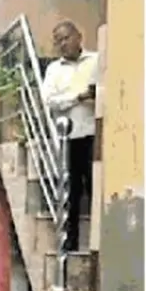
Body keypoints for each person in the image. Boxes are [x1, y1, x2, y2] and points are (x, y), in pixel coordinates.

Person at [41, 20, 98, 250]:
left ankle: (98, 241)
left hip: (94, 134)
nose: (63, 44)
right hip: (69, 138)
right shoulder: (54, 70)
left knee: (96, 187)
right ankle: (70, 244)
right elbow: (50, 101)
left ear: (79, 37)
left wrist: (91, 95)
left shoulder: (96, 61)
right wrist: (78, 97)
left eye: (66, 37)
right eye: (58, 41)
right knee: (70, 192)